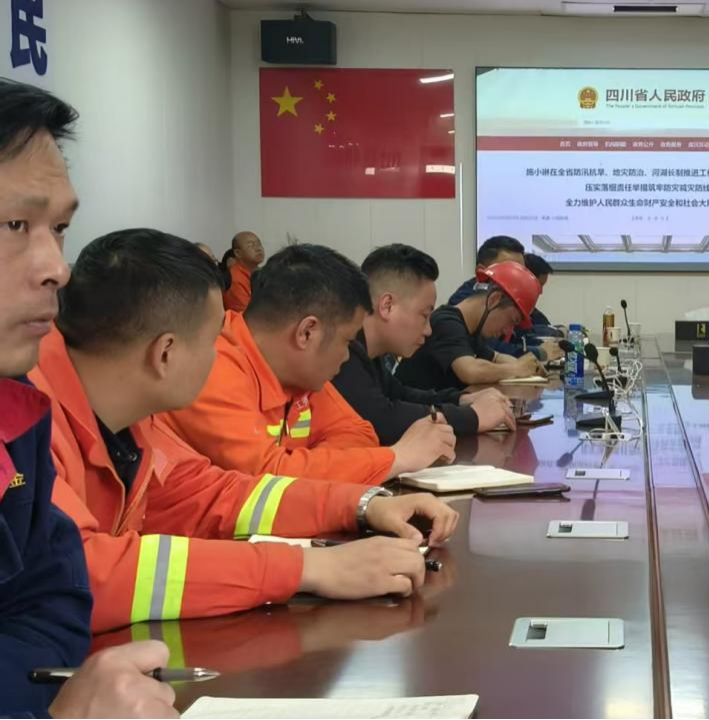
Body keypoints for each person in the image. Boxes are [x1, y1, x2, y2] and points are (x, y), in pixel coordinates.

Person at [33, 229, 460, 632]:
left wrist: (360, 505)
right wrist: (307, 569)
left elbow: (213, 495)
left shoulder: (132, 417)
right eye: (212, 338)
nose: (220, 348)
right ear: (165, 353)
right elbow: (80, 572)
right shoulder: (25, 420)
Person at [0, 78, 177, 718]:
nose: (56, 267)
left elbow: (55, 597)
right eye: (15, 224)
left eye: (60, 229)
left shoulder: (14, 409)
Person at [159, 244, 456, 485]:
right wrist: (397, 458)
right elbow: (265, 479)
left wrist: (306, 466)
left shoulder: (300, 372)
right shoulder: (213, 368)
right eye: (346, 342)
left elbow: (358, 433)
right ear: (306, 333)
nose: (347, 356)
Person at [332, 243, 516, 443]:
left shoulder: (369, 352)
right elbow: (382, 420)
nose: (428, 330)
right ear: (387, 306)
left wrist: (462, 399)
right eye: (424, 315)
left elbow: (400, 394)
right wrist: (473, 417)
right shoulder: (341, 353)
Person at [395, 262, 545, 391]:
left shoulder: (471, 331)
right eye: (511, 320)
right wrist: (516, 368)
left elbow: (496, 357)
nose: (507, 331)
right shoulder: (446, 323)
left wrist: (531, 368)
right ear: (493, 300)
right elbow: (470, 371)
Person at [434, 236, 562, 363]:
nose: (518, 278)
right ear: (482, 271)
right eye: (508, 271)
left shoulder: (508, 302)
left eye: (520, 272)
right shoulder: (460, 310)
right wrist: (537, 353)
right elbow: (489, 352)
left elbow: (523, 334)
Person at [221, 231, 264, 314]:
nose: (258, 248)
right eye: (251, 245)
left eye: (259, 244)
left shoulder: (262, 272)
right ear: (238, 253)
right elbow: (246, 315)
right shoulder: (235, 279)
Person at [521, 253, 562, 337]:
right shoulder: (506, 309)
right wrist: (557, 332)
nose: (540, 292)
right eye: (539, 286)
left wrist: (559, 329)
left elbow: (546, 326)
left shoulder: (532, 311)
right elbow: (525, 333)